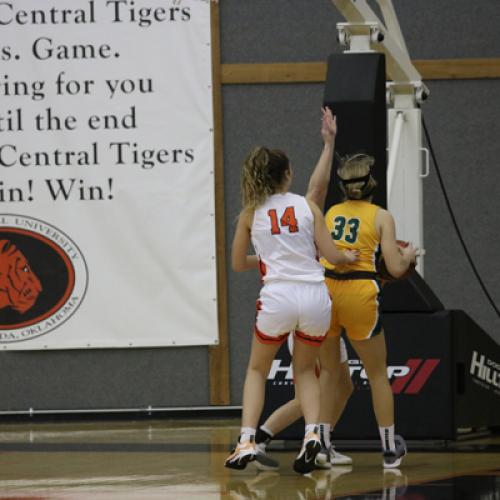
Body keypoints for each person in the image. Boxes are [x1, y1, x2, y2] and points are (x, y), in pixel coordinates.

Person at [224, 141, 358, 475]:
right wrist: (349, 258)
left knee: (257, 370)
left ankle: (246, 441)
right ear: (286, 175)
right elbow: (331, 255)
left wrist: (270, 259)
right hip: (315, 298)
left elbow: (238, 264)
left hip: (278, 298)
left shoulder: (249, 213)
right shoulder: (307, 207)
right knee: (305, 372)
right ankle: (313, 434)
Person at [308, 109, 418, 468]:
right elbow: (397, 267)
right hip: (359, 294)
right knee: (376, 373)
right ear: (372, 184)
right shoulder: (382, 217)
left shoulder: (333, 212)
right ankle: (389, 448)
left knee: (329, 373)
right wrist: (410, 254)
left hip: (325, 290)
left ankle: (322, 443)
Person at [253, 335, 353, 471]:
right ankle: (259, 440)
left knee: (344, 387)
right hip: (313, 332)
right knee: (306, 399)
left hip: (330, 333)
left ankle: (324, 443)